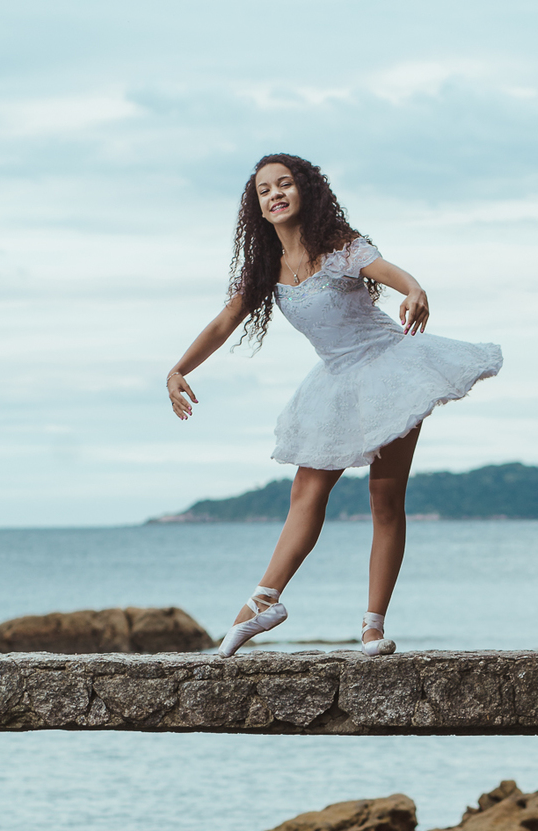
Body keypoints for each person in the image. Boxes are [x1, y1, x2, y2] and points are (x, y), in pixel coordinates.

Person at [166, 153, 502, 658]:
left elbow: (389, 273)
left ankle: (372, 627)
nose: (275, 194)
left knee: (384, 498)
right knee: (306, 490)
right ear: (257, 207)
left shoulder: (340, 248)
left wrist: (414, 289)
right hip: (336, 381)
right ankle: (264, 601)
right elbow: (221, 324)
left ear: (305, 190)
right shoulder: (266, 270)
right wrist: (178, 370)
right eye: (264, 190)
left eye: (284, 184)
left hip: (389, 369)